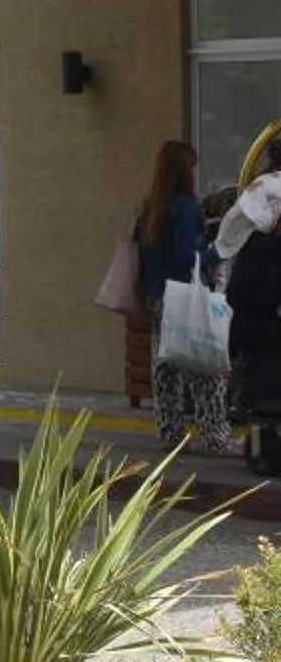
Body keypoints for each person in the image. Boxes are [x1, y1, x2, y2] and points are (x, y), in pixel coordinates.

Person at [138, 139, 231, 453]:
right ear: (183, 171)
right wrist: (213, 252)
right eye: (192, 166)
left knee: (166, 367)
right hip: (185, 295)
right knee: (205, 369)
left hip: (157, 295)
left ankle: (170, 432)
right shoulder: (186, 206)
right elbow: (185, 254)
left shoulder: (150, 206)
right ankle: (215, 436)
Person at [218, 139, 281, 474]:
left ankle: (264, 449)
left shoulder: (254, 245)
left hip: (257, 338)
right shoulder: (263, 249)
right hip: (265, 337)